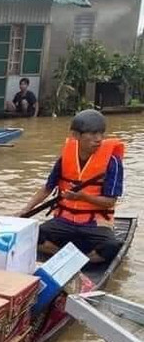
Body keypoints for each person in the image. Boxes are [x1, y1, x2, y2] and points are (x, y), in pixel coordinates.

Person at [23, 109, 124, 264]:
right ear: (76, 135)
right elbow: (47, 189)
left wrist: (83, 197)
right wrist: (25, 209)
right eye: (92, 134)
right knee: (32, 235)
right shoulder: (65, 159)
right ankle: (67, 257)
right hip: (64, 221)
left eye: (101, 133)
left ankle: (81, 261)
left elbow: (110, 202)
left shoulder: (113, 162)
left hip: (95, 224)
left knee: (111, 247)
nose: (98, 139)